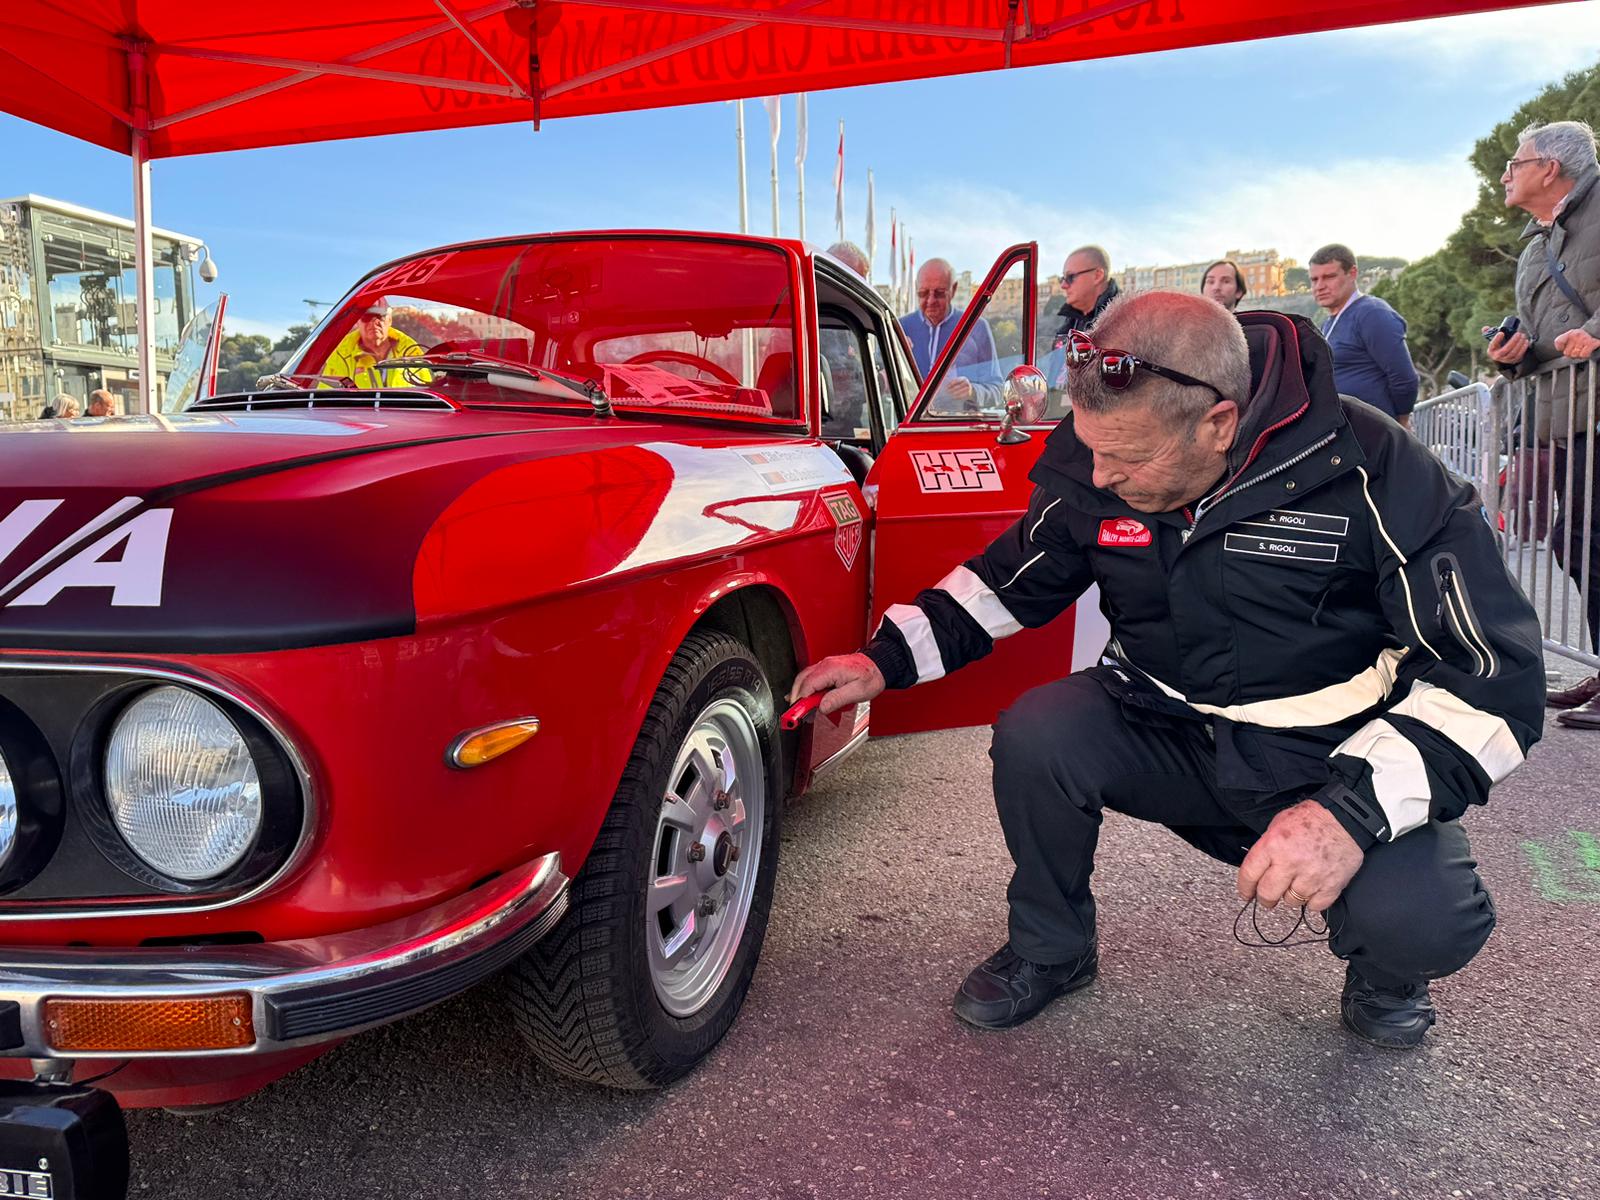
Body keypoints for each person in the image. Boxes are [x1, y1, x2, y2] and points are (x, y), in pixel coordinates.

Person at [791, 290, 1542, 1049]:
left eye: (1127, 459)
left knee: (1426, 921)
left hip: (1329, 752)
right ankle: (1053, 949)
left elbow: (1492, 673)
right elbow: (1008, 579)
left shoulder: (1371, 466)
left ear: (1218, 423)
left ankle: (1387, 972)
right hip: (1164, 723)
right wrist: (881, 659)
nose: (1103, 476)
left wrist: (1348, 813)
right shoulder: (1099, 460)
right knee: (1038, 733)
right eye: (1092, 450)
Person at [1486, 119, 1600, 727]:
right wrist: (1515, 353)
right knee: (1578, 540)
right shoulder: (1535, 244)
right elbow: (1538, 333)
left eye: (1516, 161)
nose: (1506, 173)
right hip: (1569, 411)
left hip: (1593, 401)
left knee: (1590, 539)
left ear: (1550, 168)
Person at [1309, 244, 1419, 429]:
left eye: (1329, 277)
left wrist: (1400, 423)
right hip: (1342, 433)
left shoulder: (1372, 313)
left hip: (1373, 433)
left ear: (1352, 273)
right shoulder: (1328, 324)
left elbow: (1404, 377)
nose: (1319, 286)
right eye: (1314, 279)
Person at [898, 259, 1002, 411]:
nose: (931, 300)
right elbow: (878, 380)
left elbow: (997, 391)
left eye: (939, 293)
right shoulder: (901, 328)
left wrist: (972, 391)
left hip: (958, 429)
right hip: (910, 428)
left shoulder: (976, 327)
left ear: (953, 289)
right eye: (923, 293)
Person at [1042, 246, 1120, 387]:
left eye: (1070, 277)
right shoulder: (1069, 325)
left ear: (1097, 275)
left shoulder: (1126, 321)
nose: (1063, 285)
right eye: (1062, 279)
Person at [320, 299, 428, 388]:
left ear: (389, 320)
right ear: (357, 322)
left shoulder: (412, 353)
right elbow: (326, 400)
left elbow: (429, 394)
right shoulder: (341, 356)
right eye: (366, 318)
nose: (373, 323)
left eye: (379, 317)